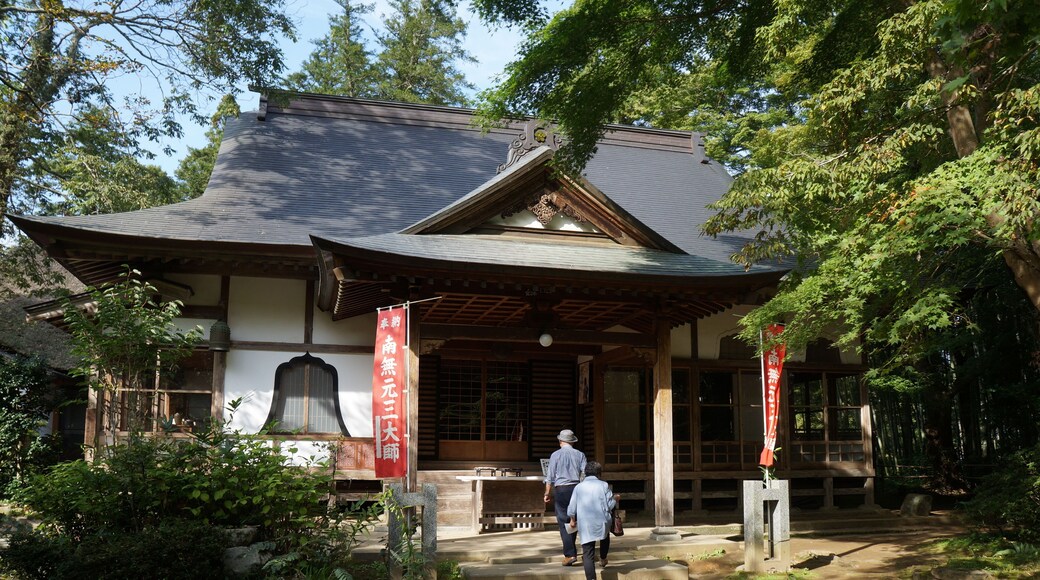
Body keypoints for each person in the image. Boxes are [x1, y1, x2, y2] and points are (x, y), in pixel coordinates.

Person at [567, 461, 619, 579]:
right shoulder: (604, 485)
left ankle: (591, 578)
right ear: (599, 473)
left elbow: (571, 507)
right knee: (605, 536)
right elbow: (609, 505)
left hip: (585, 523)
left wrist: (572, 518)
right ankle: (603, 557)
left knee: (588, 553)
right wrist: (615, 499)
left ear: (585, 473)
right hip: (602, 521)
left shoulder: (578, 487)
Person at [544, 428, 587, 566]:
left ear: (560, 441)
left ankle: (570, 554)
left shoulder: (555, 455)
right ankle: (584, 551)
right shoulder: (580, 455)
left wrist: (547, 493)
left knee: (564, 521)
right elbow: (585, 475)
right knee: (577, 519)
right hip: (577, 488)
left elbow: (550, 476)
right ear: (572, 441)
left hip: (561, 489)